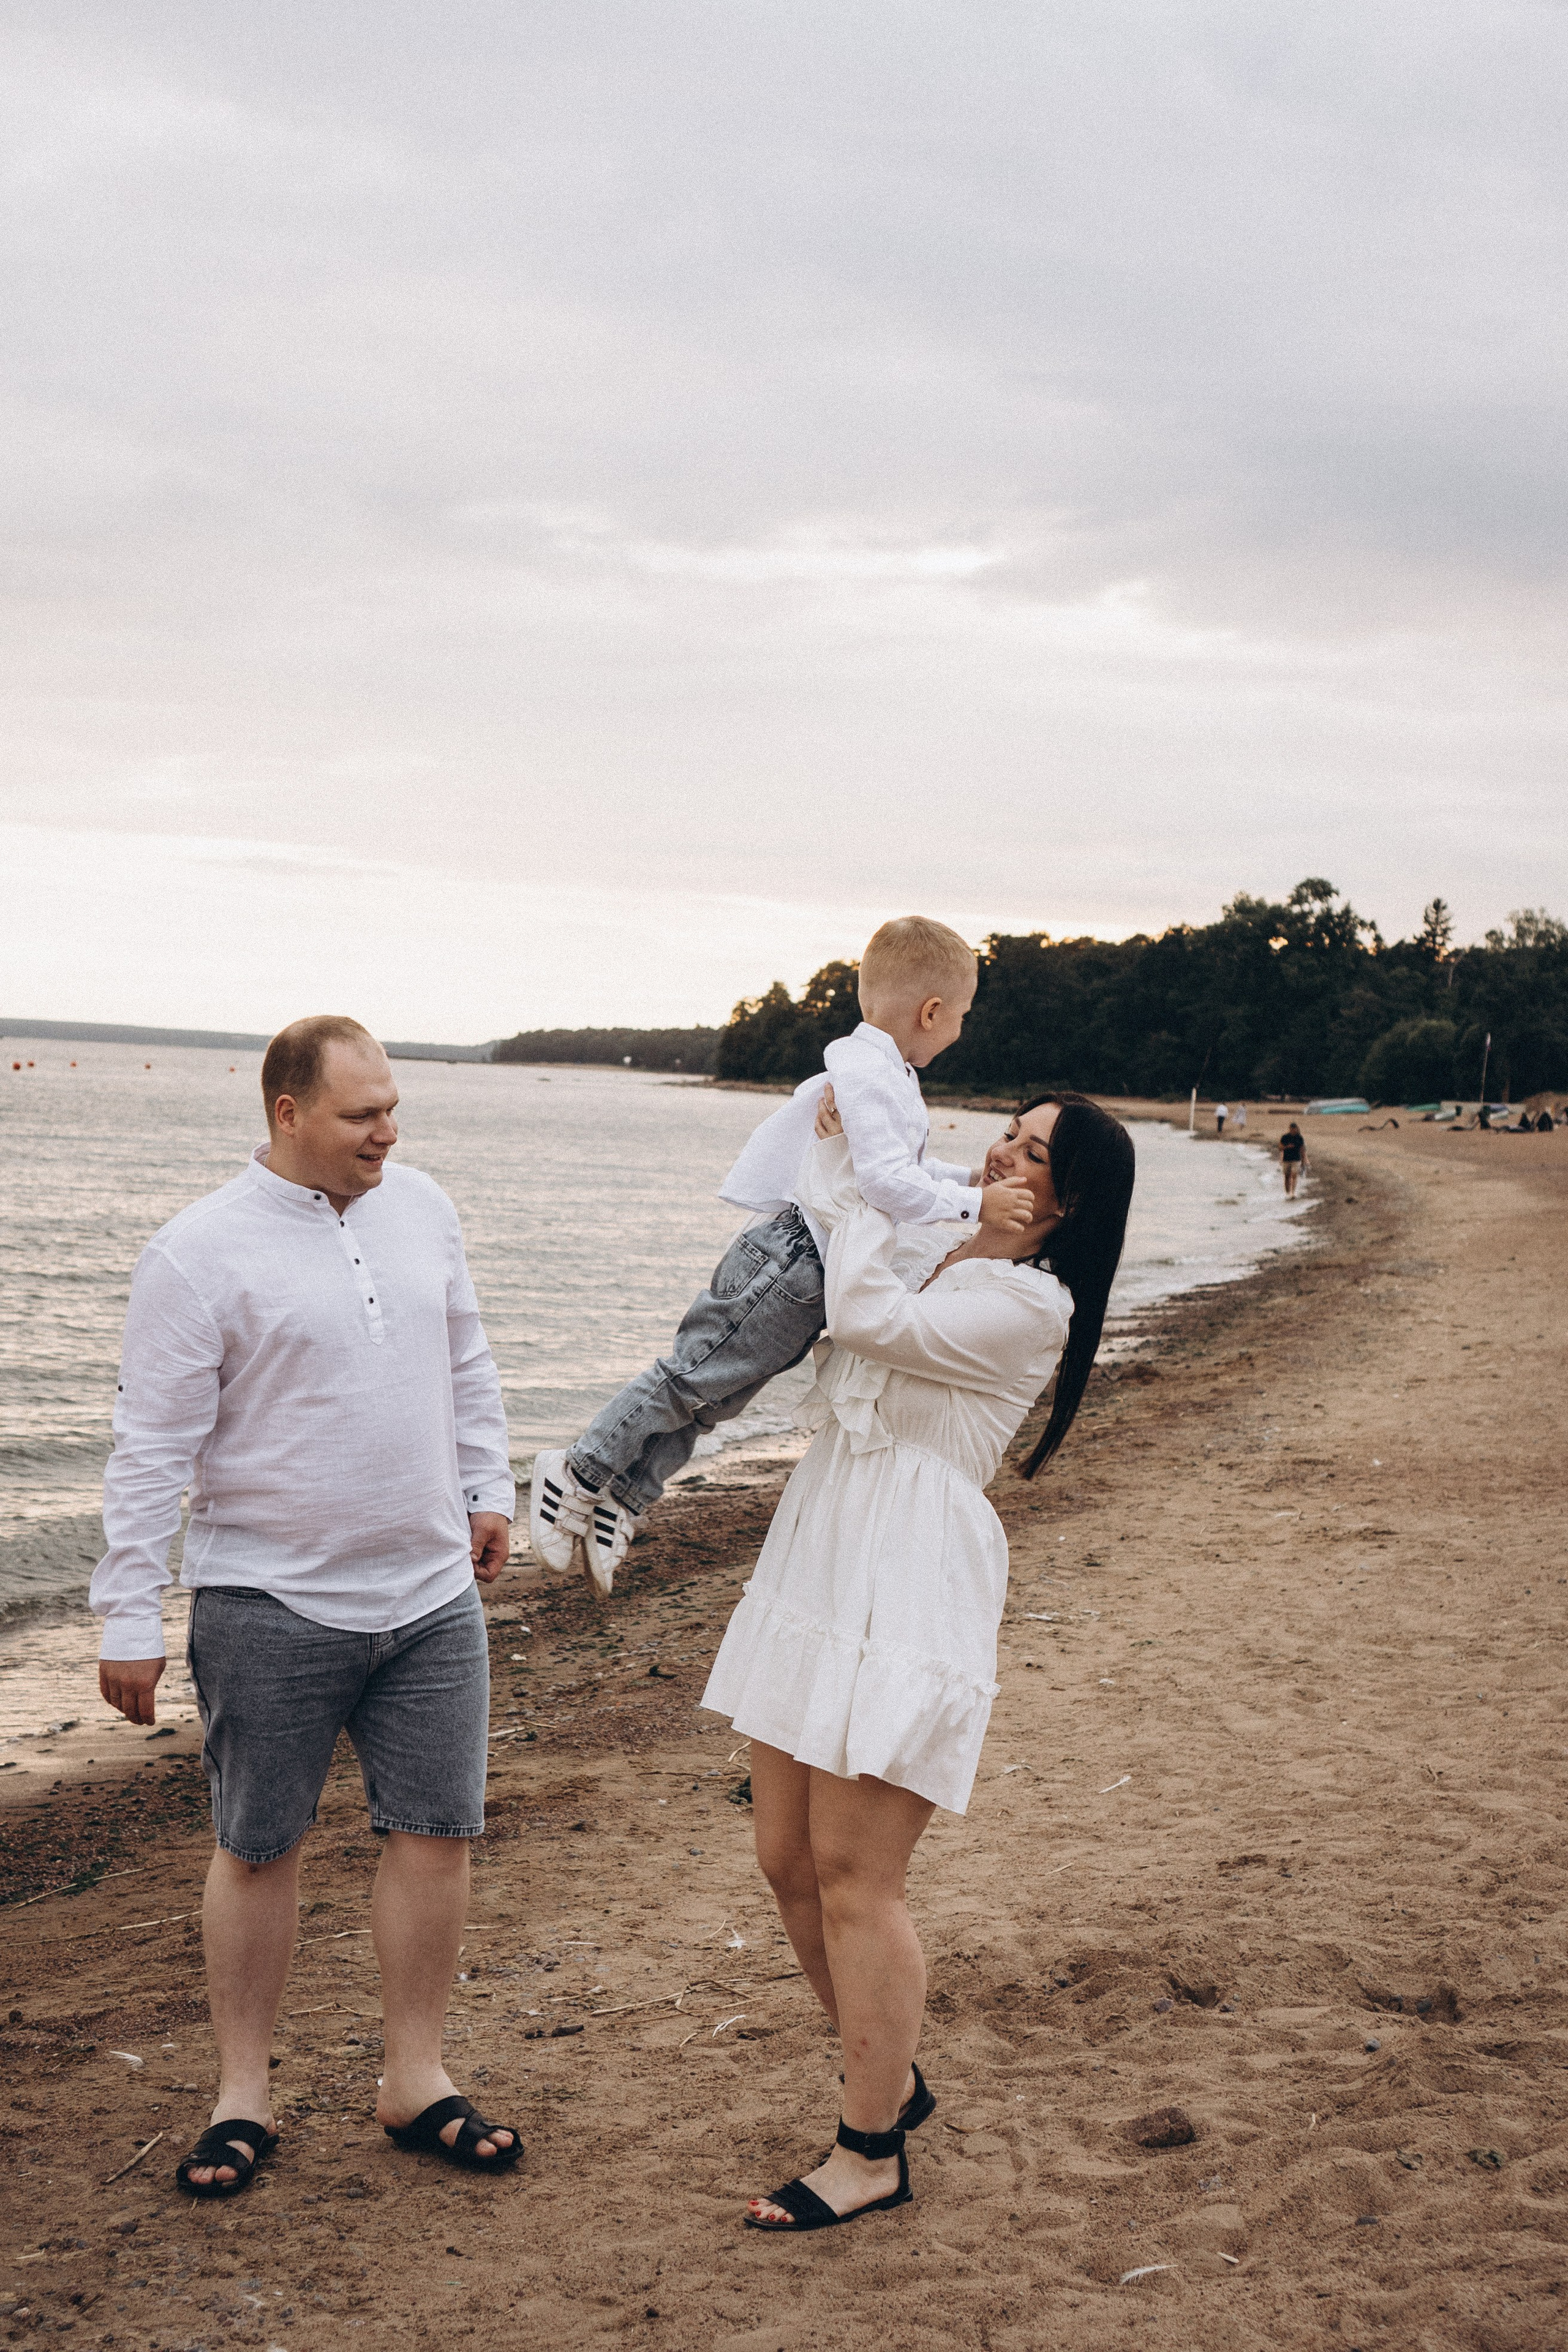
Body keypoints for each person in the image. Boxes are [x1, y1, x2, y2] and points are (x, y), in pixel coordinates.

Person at [92, 1016, 522, 2199]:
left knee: (437, 1835)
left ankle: (416, 2079)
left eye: (393, 1109)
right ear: (288, 1113)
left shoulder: (422, 1208)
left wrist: (486, 1486)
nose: (389, 1133)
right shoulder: (196, 1253)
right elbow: (149, 1451)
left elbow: (466, 1358)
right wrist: (127, 1615)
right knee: (257, 1846)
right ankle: (242, 2095)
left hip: (432, 1593)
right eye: (361, 1114)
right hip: (269, 1601)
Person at [701, 1084, 1135, 2231]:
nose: (1002, 1154)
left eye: (1033, 1153)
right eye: (1009, 1134)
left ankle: (871, 2151)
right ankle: (888, 2073)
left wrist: (851, 1187)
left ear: (1071, 1198)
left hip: (910, 1570)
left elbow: (863, 1322)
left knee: (857, 1874)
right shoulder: (945, 1244)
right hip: (825, 1545)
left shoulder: (1030, 1303)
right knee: (786, 1859)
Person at [528, 918, 1036, 1593]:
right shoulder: (866, 1071)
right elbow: (885, 1184)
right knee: (691, 1378)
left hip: (813, 1271)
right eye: (963, 1017)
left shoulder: (892, 1074)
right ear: (932, 1011)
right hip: (791, 1258)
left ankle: (624, 1496)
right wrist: (976, 1206)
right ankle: (579, 1468)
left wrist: (966, 1180)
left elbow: (897, 1168)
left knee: (717, 1398)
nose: (961, 1031)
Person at [1280, 1120, 1306, 1196]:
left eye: (1294, 1129)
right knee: (1287, 1177)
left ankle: (1293, 1193)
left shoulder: (1299, 1138)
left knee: (1294, 1175)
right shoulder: (1285, 1137)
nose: (1293, 1130)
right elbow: (1280, 1148)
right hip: (1286, 1159)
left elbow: (1302, 1150)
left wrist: (1303, 1162)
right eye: (1291, 1129)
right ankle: (1287, 1192)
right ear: (1290, 1129)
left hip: (1296, 1159)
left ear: (1297, 1129)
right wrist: (1287, 1147)